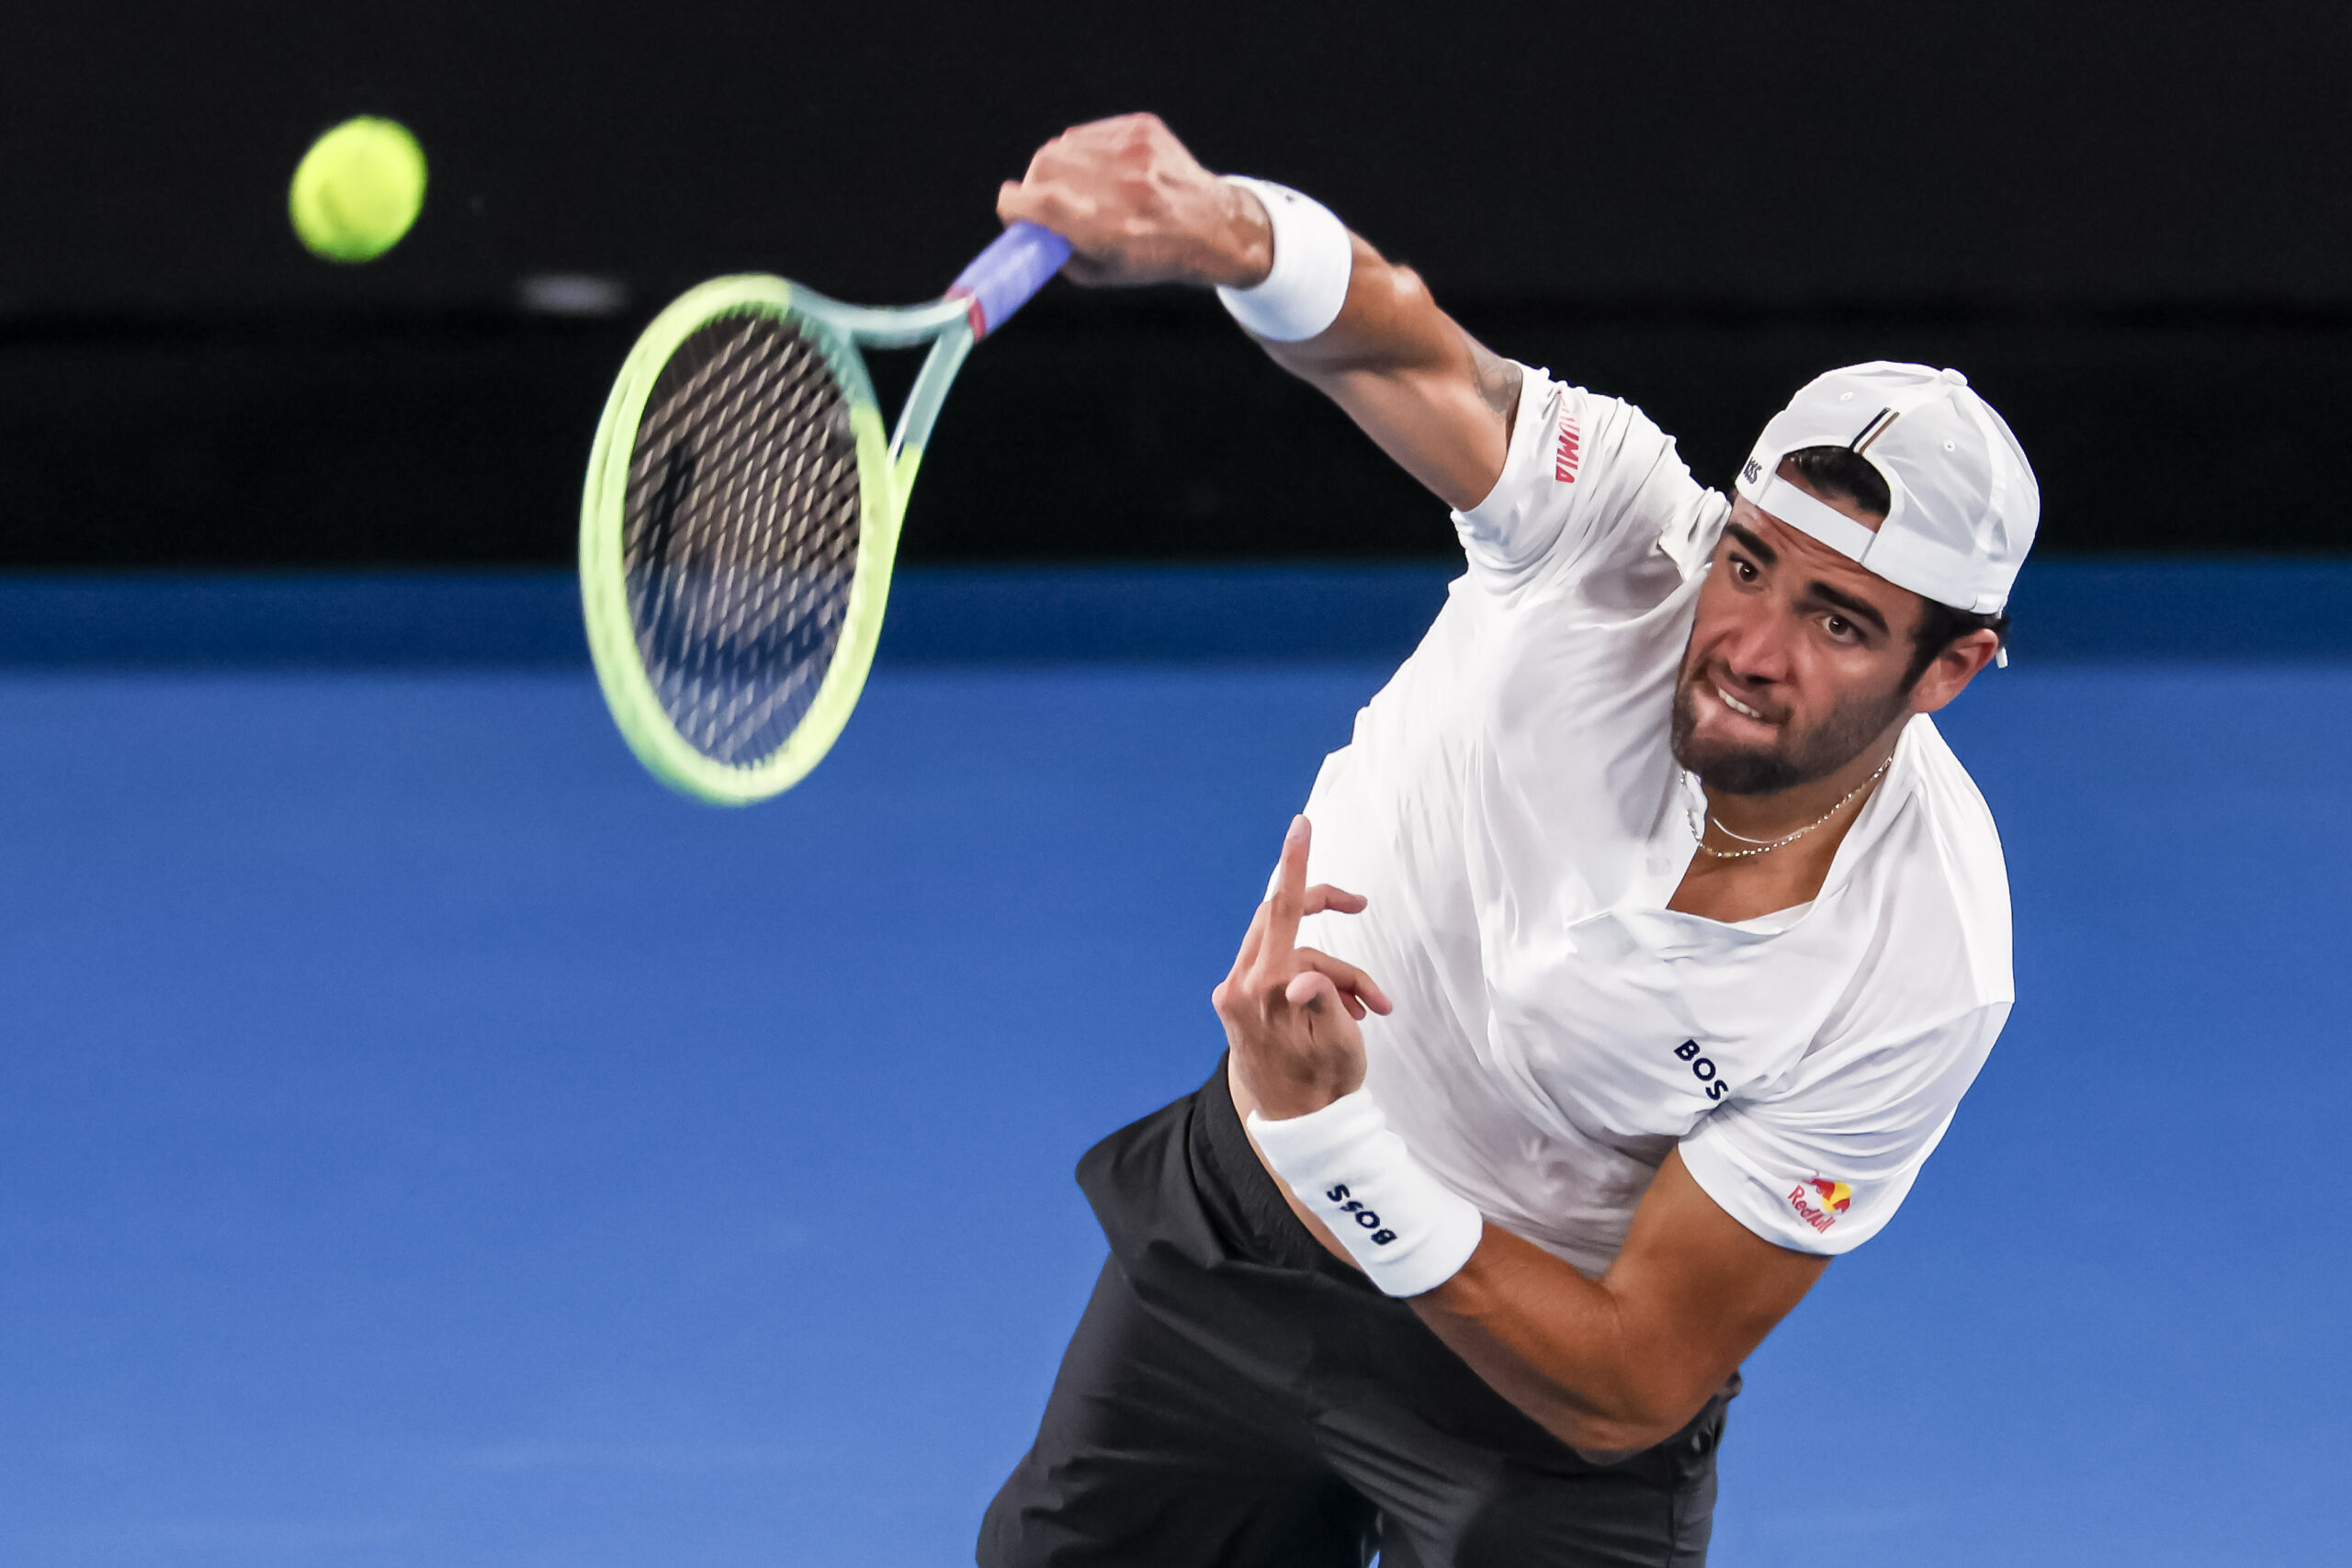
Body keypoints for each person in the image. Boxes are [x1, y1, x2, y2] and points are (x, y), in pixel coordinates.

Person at [978, 114, 2038, 1568]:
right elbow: (1404, 349)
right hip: (1243, 1244)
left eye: (1838, 622)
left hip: (1533, 1385)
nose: (1746, 643)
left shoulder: (1924, 966)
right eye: (1751, 564)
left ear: (1952, 669)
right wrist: (1229, 228)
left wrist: (1340, 1137)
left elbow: (1629, 1382)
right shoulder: (1616, 537)